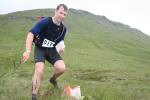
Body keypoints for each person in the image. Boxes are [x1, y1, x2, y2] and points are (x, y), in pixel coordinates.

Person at [22, 4, 68, 100]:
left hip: (51, 50)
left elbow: (60, 41)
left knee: (62, 68)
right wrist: (27, 51)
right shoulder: (45, 22)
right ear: (55, 11)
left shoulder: (63, 29)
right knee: (39, 70)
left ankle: (53, 80)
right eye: (60, 13)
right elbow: (31, 34)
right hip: (40, 48)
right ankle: (34, 95)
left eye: (64, 14)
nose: (62, 16)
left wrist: (61, 47)